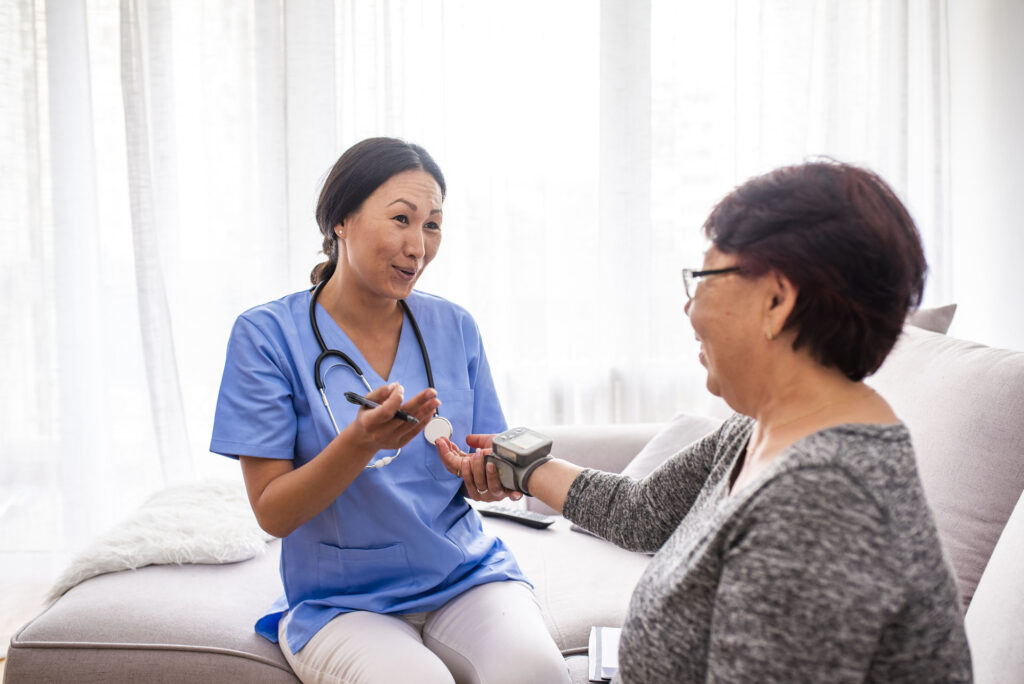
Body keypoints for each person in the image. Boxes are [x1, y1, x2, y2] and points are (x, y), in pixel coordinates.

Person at [439, 160, 973, 682]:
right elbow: (642, 512)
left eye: (704, 278)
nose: (689, 309)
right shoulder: (759, 429)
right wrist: (521, 467)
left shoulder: (821, 498)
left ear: (776, 300)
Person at [211, 137, 568, 683]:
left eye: (432, 225)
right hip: (341, 601)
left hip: (464, 576)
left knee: (536, 674)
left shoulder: (455, 326)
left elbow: (483, 468)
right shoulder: (266, 336)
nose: (418, 247)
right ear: (341, 221)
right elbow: (272, 513)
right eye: (401, 219)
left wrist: (488, 477)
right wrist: (360, 444)